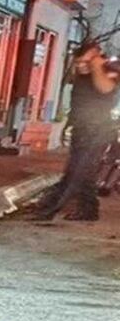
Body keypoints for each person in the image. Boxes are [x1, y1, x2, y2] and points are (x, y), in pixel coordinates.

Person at [35, 42, 120, 221]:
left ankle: (48, 209)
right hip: (82, 129)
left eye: (86, 62)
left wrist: (96, 65)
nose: (81, 66)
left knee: (75, 173)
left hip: (97, 131)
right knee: (86, 173)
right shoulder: (83, 75)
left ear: (97, 56)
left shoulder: (106, 69)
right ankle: (88, 211)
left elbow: (106, 89)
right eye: (78, 62)